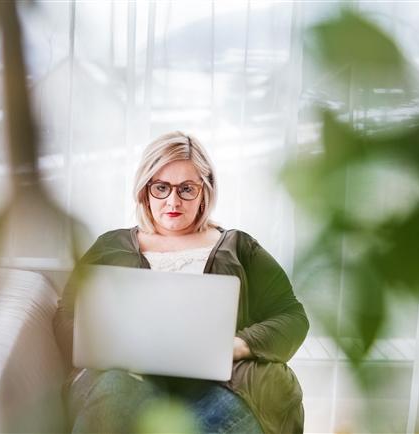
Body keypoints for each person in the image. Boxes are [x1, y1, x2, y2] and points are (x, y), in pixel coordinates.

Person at [53, 131, 309, 434]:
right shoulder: (110, 247)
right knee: (114, 392)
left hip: (224, 388)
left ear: (205, 190)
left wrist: (238, 345)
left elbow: (292, 317)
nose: (173, 200)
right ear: (144, 190)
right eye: (161, 187)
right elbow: (68, 314)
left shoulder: (240, 247)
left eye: (187, 189)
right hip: (126, 381)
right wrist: (109, 347)